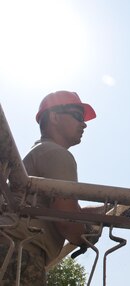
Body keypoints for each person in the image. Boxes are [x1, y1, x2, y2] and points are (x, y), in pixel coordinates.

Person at [0, 91, 103, 285]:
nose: (84, 124)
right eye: (78, 116)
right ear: (54, 117)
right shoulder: (57, 154)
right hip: (19, 255)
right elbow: (67, 221)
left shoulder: (40, 152)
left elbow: (64, 210)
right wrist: (84, 234)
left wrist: (106, 212)